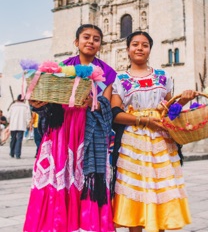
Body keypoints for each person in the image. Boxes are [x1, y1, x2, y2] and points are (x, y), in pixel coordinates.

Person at [23, 24, 117, 232]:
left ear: (100, 45)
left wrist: (93, 101)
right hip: (61, 131)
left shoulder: (107, 73)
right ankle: (56, 225)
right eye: (86, 37)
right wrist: (38, 104)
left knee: (85, 179)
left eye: (96, 39)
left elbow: (106, 106)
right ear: (76, 42)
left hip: (88, 132)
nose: (91, 41)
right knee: (59, 176)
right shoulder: (60, 68)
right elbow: (48, 101)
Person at [111, 31, 197, 231]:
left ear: (150, 50)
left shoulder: (163, 76)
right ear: (128, 50)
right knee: (136, 192)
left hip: (161, 141)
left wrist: (183, 100)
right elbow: (115, 113)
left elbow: (171, 112)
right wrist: (144, 120)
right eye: (135, 44)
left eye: (144, 45)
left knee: (160, 193)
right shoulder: (120, 79)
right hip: (134, 144)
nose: (139, 48)